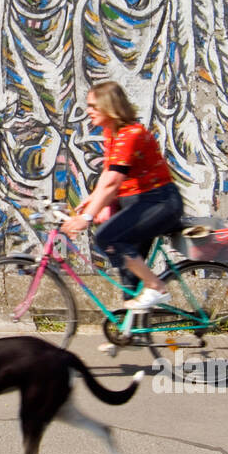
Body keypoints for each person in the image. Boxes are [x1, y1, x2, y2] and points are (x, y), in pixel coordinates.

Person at [61, 81, 183, 321]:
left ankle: (157, 286)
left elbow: (113, 181)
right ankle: (129, 331)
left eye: (94, 106)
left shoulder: (131, 134)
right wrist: (92, 201)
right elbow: (108, 175)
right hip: (140, 204)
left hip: (159, 203)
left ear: (109, 107)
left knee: (108, 237)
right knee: (128, 272)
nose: (89, 110)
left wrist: (86, 217)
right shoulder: (113, 134)